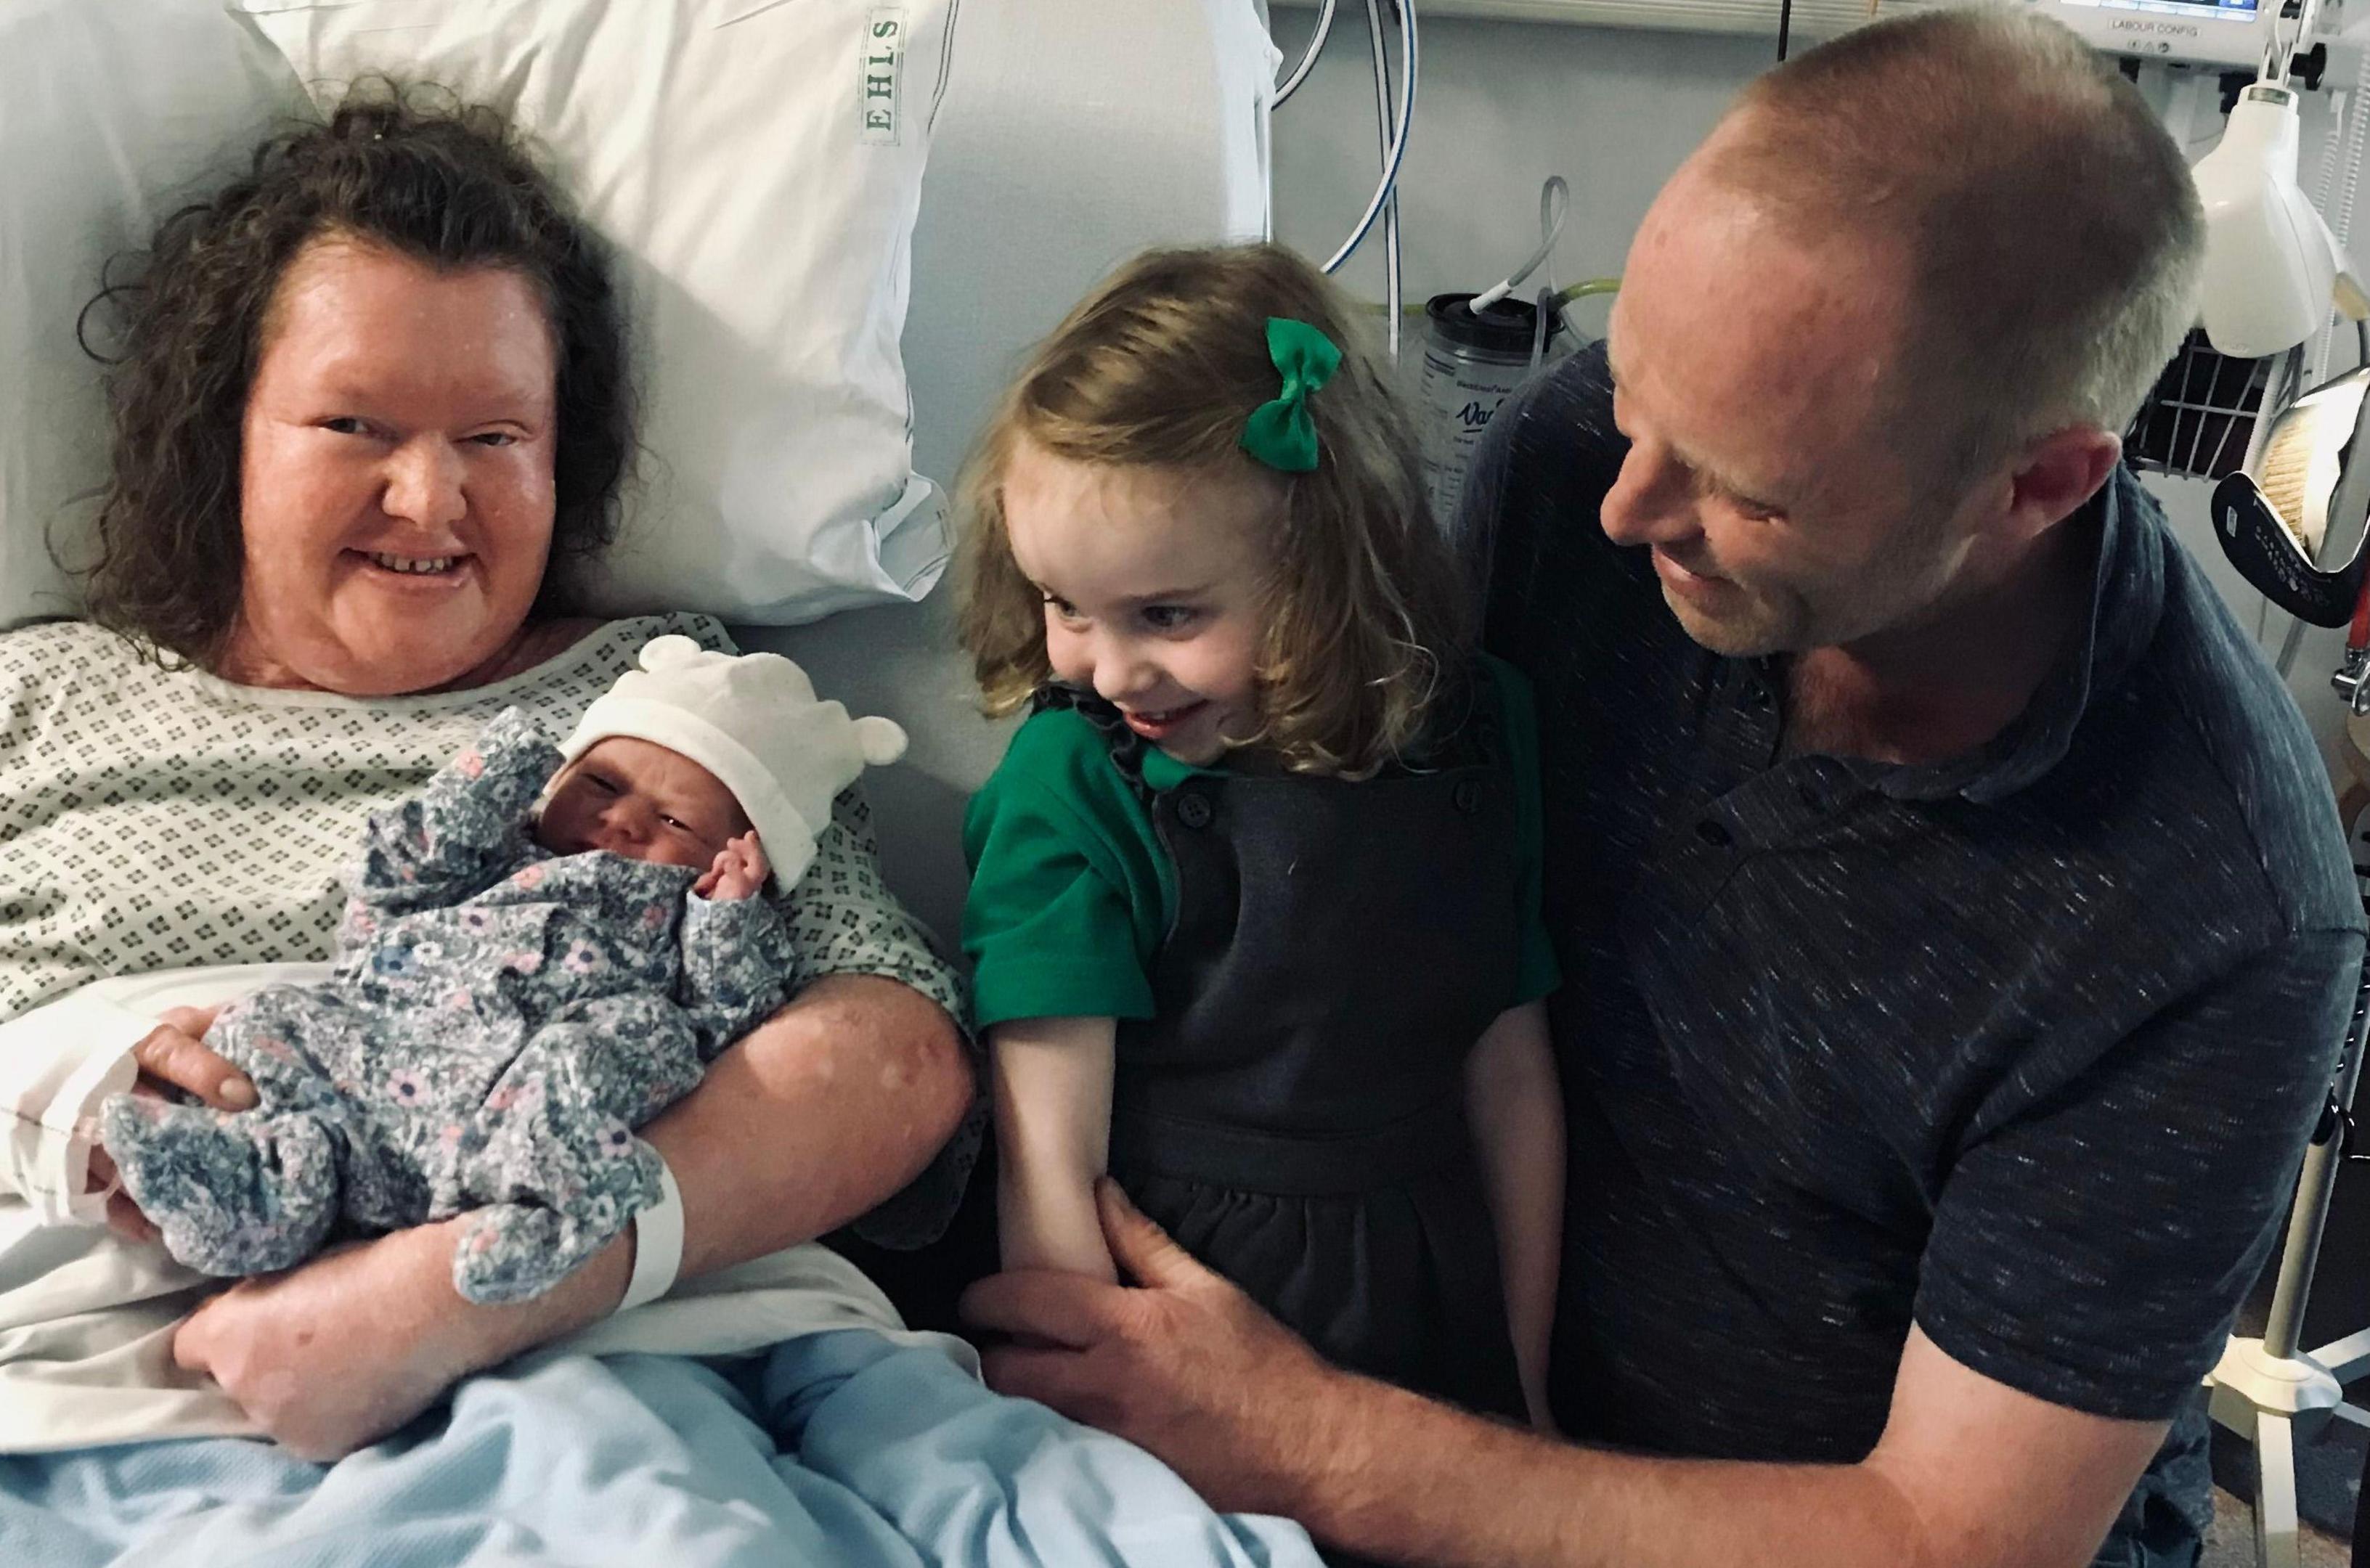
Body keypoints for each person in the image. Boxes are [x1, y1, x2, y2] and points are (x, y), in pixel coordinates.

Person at [962, 13, 2365, 1568]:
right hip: (1448, 1382)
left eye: (1750, 490)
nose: (1629, 509)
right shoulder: (1586, 472)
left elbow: (1954, 1538)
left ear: (2037, 485)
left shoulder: (2214, 906)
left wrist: (1319, 1441)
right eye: (1633, 400)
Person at [0, 91, 972, 1463]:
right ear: (223, 437)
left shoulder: (671, 710)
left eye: (496, 437)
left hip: (579, 1410)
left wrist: (460, 1296)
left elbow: (895, 1057)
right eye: (354, 427)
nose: (431, 501)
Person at [952, 244, 1565, 1433]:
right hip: (1169, 1298)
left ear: (1327, 570)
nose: (1105, 665)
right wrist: (1094, 1441)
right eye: (1064, 604)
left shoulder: (1481, 731)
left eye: (1167, 615)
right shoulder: (1075, 778)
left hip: (1427, 1290)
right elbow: (1047, 1154)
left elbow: (1511, 1070)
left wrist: (1530, 1383)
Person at [102, 636, 905, 1301]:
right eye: (598, 783)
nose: (619, 821)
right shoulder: (492, 860)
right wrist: (491, 779)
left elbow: (734, 1011)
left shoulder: (689, 917)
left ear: (735, 855)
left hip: (513, 1098)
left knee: (618, 1044)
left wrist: (728, 916)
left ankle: (545, 1209)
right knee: (266, 1020)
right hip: (387, 1056)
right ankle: (245, 1193)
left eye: (672, 820)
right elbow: (389, 886)